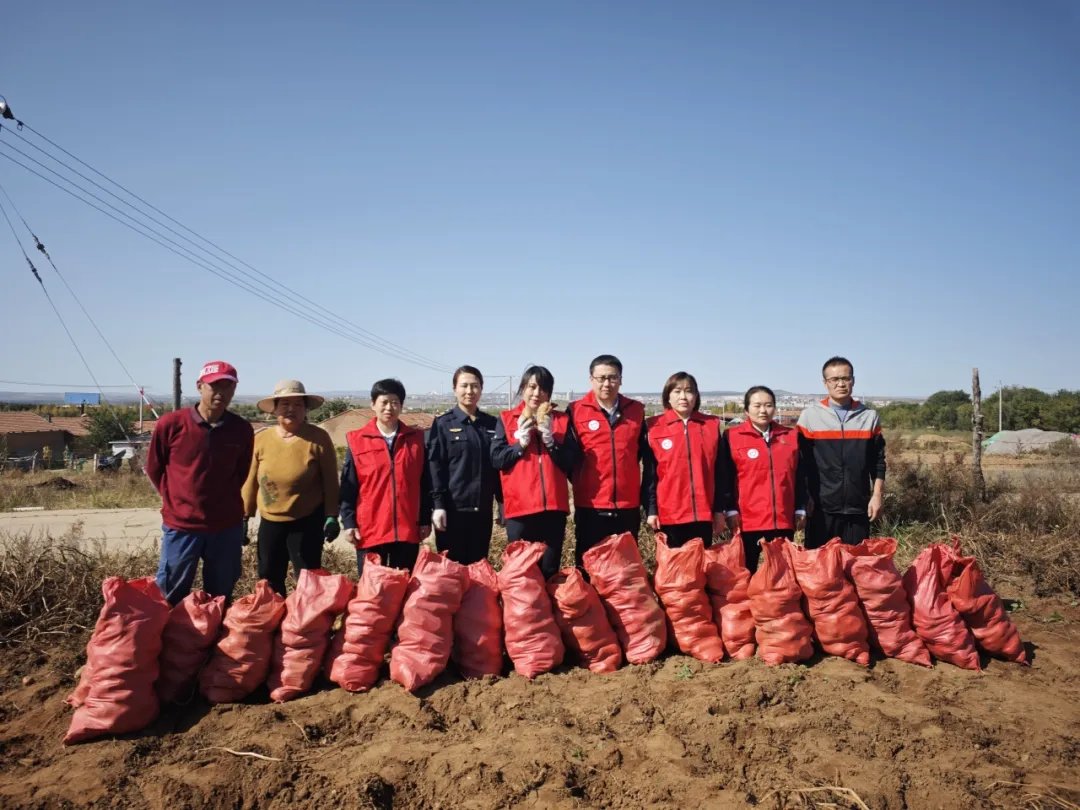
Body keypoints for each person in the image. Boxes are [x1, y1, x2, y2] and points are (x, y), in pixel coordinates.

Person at [146, 361, 254, 605]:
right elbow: (155, 468)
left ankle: (213, 639)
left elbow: (241, 473)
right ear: (199, 387)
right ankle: (167, 640)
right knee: (170, 589)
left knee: (221, 593)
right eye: (214, 385)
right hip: (182, 525)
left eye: (228, 387)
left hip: (225, 525)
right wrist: (178, 500)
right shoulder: (171, 424)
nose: (221, 393)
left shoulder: (241, 429)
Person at [242, 380, 340, 597]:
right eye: (285, 404)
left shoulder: (318, 438)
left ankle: (305, 626)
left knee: (308, 578)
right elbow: (250, 480)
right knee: (268, 575)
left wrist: (332, 516)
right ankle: (273, 622)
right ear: (275, 408)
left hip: (306, 520)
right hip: (271, 521)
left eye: (298, 404)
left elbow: (331, 481)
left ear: (305, 409)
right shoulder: (262, 440)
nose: (291, 409)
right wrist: (244, 516)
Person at [491, 366, 579, 579]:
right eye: (532, 387)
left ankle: (549, 612)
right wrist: (519, 444)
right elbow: (497, 459)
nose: (537, 393)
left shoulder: (562, 421)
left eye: (543, 389)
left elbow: (571, 461)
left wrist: (551, 441)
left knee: (549, 571)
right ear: (523, 388)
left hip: (553, 509)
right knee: (522, 574)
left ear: (549, 393)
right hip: (520, 510)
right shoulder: (506, 419)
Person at [339, 378, 432, 575]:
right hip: (371, 530)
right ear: (373, 404)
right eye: (384, 402)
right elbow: (349, 487)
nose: (389, 407)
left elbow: (424, 484)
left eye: (395, 402)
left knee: (405, 588)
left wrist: (424, 519)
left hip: (407, 530)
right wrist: (348, 522)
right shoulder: (357, 441)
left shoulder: (415, 440)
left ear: (402, 406)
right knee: (373, 592)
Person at [797, 356, 886, 548]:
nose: (840, 384)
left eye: (845, 378)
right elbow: (800, 463)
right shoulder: (810, 417)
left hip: (858, 506)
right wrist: (805, 498)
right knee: (820, 568)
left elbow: (878, 462)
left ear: (853, 380)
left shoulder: (869, 417)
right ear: (825, 383)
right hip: (821, 507)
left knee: (855, 566)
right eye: (834, 380)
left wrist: (877, 495)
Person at [567, 354, 647, 565]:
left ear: (621, 379)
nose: (606, 383)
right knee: (589, 564)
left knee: (626, 566)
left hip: (627, 503)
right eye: (601, 378)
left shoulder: (636, 410)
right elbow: (570, 457)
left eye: (612, 378)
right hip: (591, 503)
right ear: (591, 379)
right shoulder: (575, 411)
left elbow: (637, 453)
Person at [723, 386, 807, 571]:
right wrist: (729, 510)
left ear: (774, 408)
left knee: (781, 573)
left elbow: (799, 476)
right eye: (757, 405)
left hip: (782, 518)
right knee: (747, 571)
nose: (763, 410)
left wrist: (800, 508)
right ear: (746, 410)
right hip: (747, 519)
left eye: (768, 405)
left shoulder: (790, 436)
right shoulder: (732, 437)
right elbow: (726, 478)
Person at [427, 365, 503, 565]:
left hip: (482, 511)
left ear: (481, 389)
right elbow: (435, 467)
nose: (470, 391)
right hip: (452, 513)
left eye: (475, 386)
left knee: (478, 569)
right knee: (451, 571)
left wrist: (502, 503)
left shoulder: (492, 424)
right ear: (455, 389)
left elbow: (498, 467)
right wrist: (438, 506)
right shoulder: (443, 424)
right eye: (464, 386)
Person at [641, 372, 726, 548]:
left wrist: (719, 510)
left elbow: (720, 472)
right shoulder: (654, 427)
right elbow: (650, 475)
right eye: (677, 391)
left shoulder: (711, 425)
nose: (683, 397)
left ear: (696, 396)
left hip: (703, 513)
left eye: (689, 391)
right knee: (672, 570)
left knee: (699, 569)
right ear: (668, 396)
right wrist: (651, 510)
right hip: (669, 514)